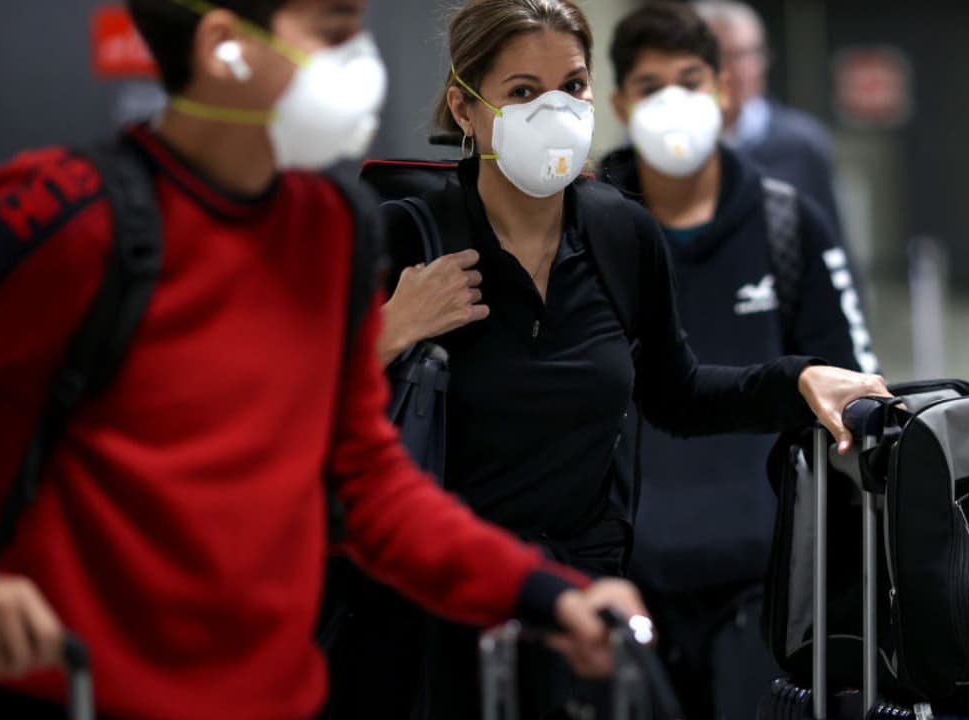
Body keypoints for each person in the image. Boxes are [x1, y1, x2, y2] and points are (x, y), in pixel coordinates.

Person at [0, 0, 651, 718]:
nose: (364, 59)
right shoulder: (69, 214)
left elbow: (369, 484)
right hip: (74, 693)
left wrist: (545, 596)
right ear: (224, 47)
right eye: (335, 31)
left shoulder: (329, 227)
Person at [348, 0, 890, 717]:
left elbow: (678, 393)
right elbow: (307, 417)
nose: (555, 110)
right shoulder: (406, 237)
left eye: (571, 86)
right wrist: (387, 332)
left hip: (584, 610)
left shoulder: (619, 232)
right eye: (523, 91)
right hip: (438, 615)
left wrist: (798, 379)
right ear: (464, 107)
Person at [600, 4, 878, 718]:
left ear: (723, 89)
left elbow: (851, 383)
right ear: (621, 103)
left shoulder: (788, 221)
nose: (672, 102)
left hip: (768, 582)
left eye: (689, 81)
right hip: (625, 584)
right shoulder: (585, 228)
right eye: (651, 86)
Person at [694, 0, 846, 238]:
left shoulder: (802, 143)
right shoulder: (672, 142)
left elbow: (831, 238)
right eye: (725, 56)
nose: (741, 69)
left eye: (751, 54)